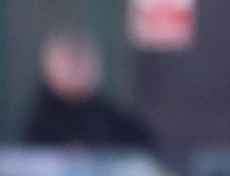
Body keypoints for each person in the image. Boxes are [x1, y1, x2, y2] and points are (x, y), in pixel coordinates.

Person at [20, 31, 153, 150]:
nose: (78, 75)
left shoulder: (107, 118)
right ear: (49, 71)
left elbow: (145, 145)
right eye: (70, 67)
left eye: (84, 66)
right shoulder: (40, 123)